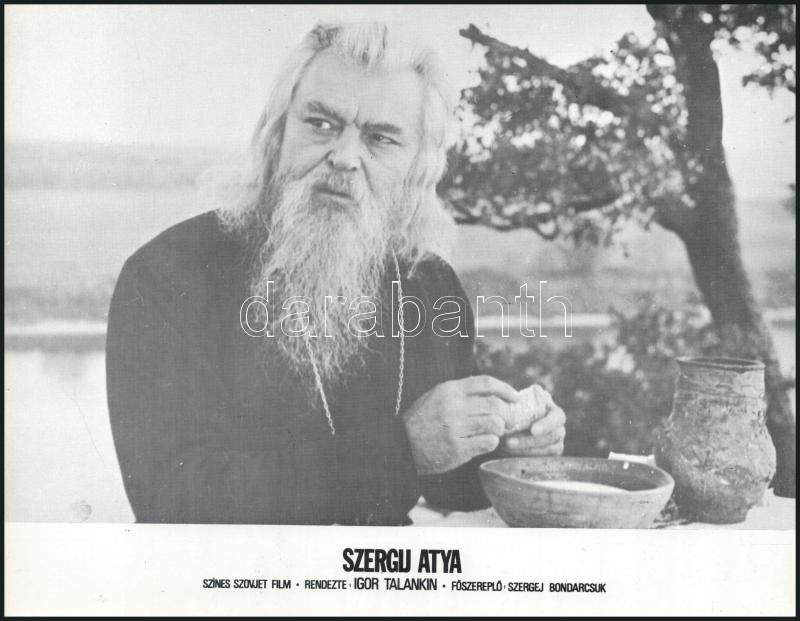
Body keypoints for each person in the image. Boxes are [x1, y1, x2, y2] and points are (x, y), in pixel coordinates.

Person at [106, 21, 566, 525]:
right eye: (321, 124)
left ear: (417, 167)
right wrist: (402, 448)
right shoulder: (167, 275)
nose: (344, 157)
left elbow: (446, 478)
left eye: (381, 138)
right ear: (277, 133)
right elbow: (172, 499)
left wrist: (506, 449)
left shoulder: (429, 283)